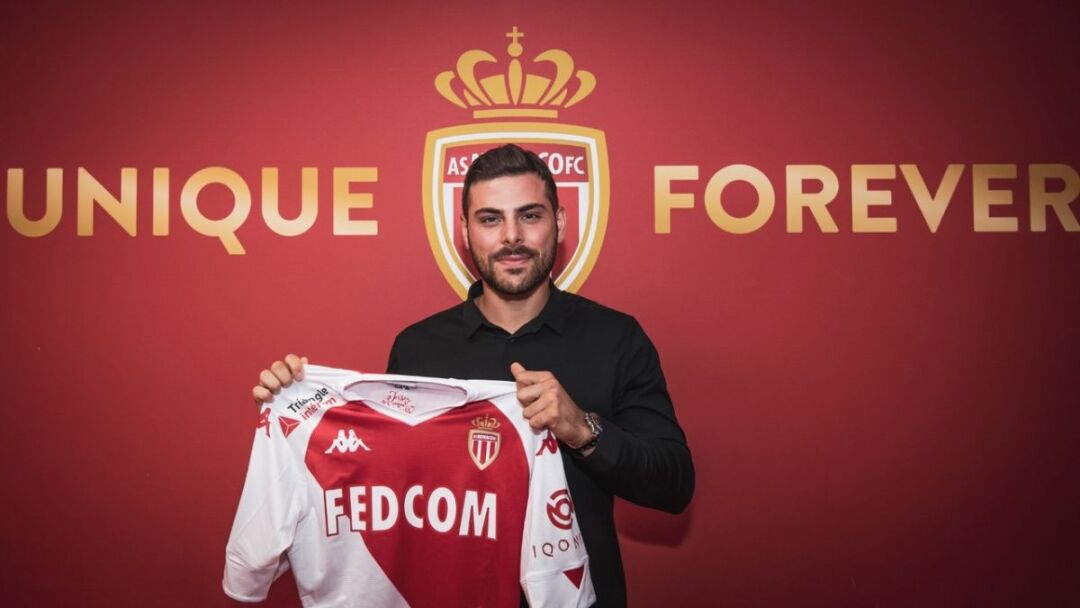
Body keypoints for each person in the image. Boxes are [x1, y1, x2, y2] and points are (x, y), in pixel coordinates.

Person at [252, 144, 694, 607]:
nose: (512, 236)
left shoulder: (617, 338)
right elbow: (376, 484)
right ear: (465, 232)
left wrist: (583, 430)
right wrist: (299, 410)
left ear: (560, 223)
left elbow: (675, 486)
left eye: (530, 216)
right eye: (490, 219)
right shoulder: (418, 348)